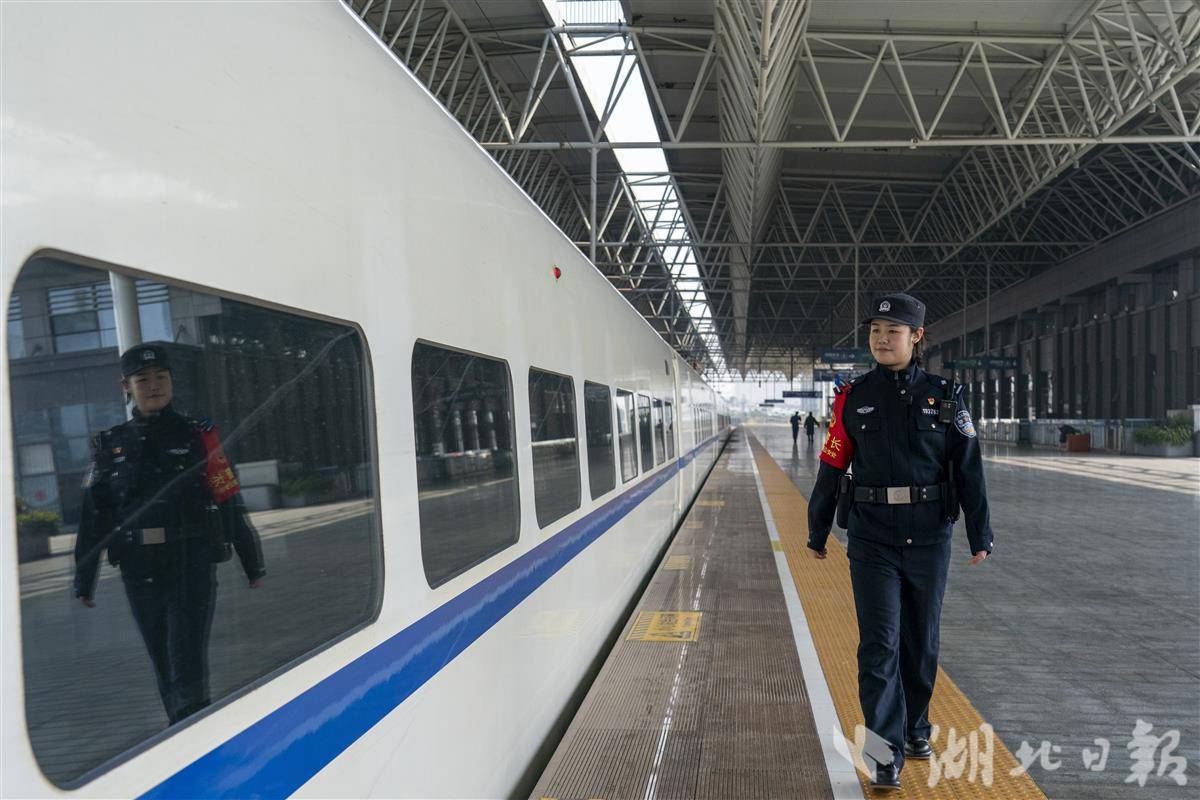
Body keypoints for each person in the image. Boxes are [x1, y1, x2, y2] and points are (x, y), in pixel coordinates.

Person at [805, 293, 993, 791]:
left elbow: (968, 468)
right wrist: (817, 529)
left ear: (917, 337)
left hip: (930, 536)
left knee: (920, 642)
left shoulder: (946, 397)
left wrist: (980, 532)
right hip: (872, 538)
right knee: (878, 644)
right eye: (875, 331)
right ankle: (882, 754)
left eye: (893, 331)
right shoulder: (853, 397)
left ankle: (915, 728)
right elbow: (832, 464)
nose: (882, 339)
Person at [74, 342, 266, 725]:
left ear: (172, 382)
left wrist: (252, 560)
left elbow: (227, 498)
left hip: (189, 562)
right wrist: (85, 578)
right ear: (126, 386)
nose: (154, 385)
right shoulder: (110, 444)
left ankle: (193, 732)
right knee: (162, 661)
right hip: (138, 569)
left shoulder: (198, 436)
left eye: (161, 377)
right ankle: (182, 731)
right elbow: (94, 516)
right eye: (142, 379)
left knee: (185, 659)